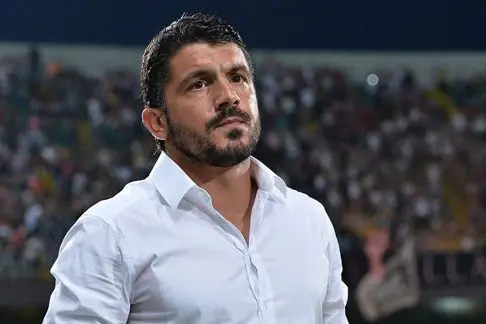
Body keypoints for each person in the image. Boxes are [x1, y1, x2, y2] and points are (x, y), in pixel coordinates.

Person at [43, 13, 348, 324]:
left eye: (238, 77)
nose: (228, 97)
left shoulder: (308, 220)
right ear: (157, 123)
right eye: (199, 84)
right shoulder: (110, 233)